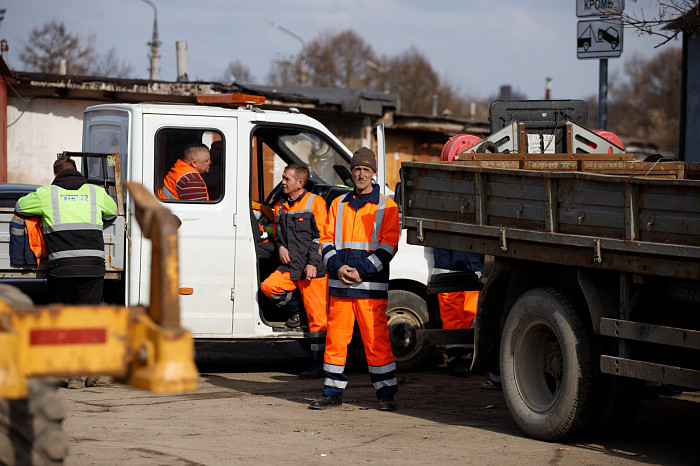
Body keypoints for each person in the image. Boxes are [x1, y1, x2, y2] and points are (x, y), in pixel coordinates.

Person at [309, 147, 400, 411]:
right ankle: (332, 393)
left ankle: (385, 395)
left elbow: (389, 245)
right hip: (340, 286)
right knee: (336, 340)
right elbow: (324, 241)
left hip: (369, 286)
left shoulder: (387, 205)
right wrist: (338, 267)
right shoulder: (338, 203)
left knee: (376, 341)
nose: (361, 174)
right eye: (357, 169)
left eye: (366, 170)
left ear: (373, 174)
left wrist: (361, 271)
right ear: (352, 172)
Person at [15, 156, 117, 389]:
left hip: (62, 267)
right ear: (77, 171)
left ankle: (73, 375)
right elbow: (111, 214)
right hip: (92, 265)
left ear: (55, 175)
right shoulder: (96, 192)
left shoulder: (46, 194)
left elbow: (19, 207)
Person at [261, 164, 329, 379]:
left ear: (300, 183)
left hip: (312, 269)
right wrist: (280, 247)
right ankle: (298, 310)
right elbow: (278, 234)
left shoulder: (315, 202)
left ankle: (320, 365)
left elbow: (322, 237)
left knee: (318, 320)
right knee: (269, 287)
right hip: (291, 266)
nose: (283, 182)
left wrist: (313, 262)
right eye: (283, 178)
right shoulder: (281, 205)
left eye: (286, 179)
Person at [431, 248, 483, 377]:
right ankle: (458, 355)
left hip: (465, 262)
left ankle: (464, 354)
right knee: (455, 311)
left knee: (467, 312)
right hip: (453, 262)